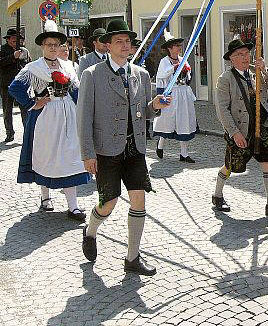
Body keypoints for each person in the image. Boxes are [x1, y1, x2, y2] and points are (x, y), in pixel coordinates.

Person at [77, 19, 171, 275]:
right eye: (119, 41)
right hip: (106, 149)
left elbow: (144, 112)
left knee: (139, 200)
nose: (124, 45)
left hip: (135, 148)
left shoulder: (140, 74)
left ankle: (132, 257)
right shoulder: (92, 74)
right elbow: (83, 117)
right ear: (108, 46)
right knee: (109, 203)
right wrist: (87, 154)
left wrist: (156, 106)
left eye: (128, 41)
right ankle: (90, 229)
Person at [8, 20, 90, 221]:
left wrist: (84, 111)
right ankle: (45, 197)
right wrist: (33, 102)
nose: (53, 48)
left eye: (56, 44)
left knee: (71, 155)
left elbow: (76, 91)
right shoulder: (33, 68)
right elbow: (14, 87)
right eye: (49, 44)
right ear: (42, 46)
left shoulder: (69, 66)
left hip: (68, 116)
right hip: (45, 117)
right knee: (45, 155)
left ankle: (73, 205)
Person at [213, 37, 268, 215]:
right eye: (239, 54)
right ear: (231, 59)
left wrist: (265, 70)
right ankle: (217, 195)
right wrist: (234, 133)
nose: (245, 57)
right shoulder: (225, 79)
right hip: (240, 131)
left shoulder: (256, 72)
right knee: (230, 165)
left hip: (261, 128)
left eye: (246, 53)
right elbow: (222, 109)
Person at [153, 31, 197, 162]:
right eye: (176, 45)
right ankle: (160, 145)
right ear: (170, 48)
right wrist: (175, 68)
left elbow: (189, 76)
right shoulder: (164, 61)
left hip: (183, 94)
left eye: (179, 45)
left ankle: (184, 153)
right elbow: (161, 75)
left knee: (184, 121)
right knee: (167, 121)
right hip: (171, 95)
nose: (179, 48)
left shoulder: (183, 59)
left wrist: (186, 72)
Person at [1, 28, 30, 142]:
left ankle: (27, 132)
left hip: (22, 86)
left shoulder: (24, 51)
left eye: (17, 38)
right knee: (7, 110)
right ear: (8, 39)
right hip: (7, 85)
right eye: (13, 38)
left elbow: (28, 65)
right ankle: (9, 133)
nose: (15, 40)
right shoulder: (2, 50)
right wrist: (13, 57)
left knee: (25, 109)